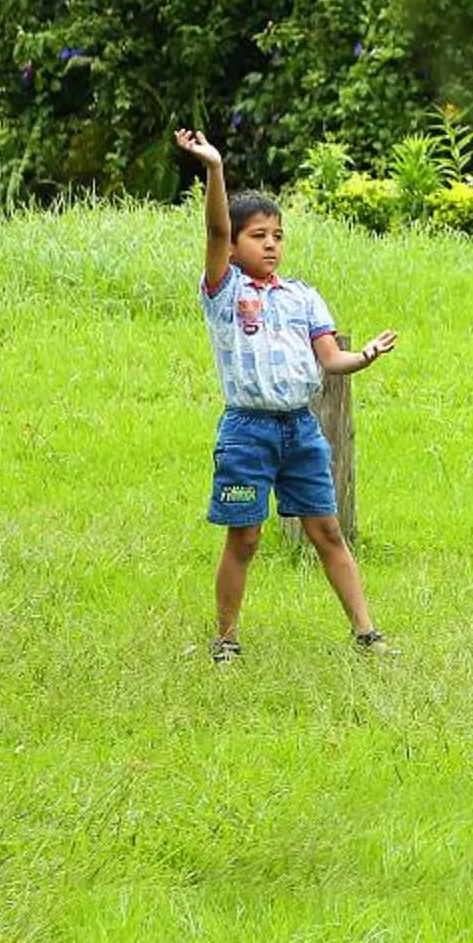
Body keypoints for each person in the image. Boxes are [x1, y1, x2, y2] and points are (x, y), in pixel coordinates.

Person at [172, 128, 399, 664]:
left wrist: (364, 356)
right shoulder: (225, 291)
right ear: (234, 246)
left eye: (278, 235)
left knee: (328, 531)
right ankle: (226, 640)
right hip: (247, 430)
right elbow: (214, 227)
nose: (271, 244)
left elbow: (330, 359)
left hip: (300, 428)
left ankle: (367, 634)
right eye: (257, 235)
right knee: (245, 537)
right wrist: (214, 168)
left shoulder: (302, 297)